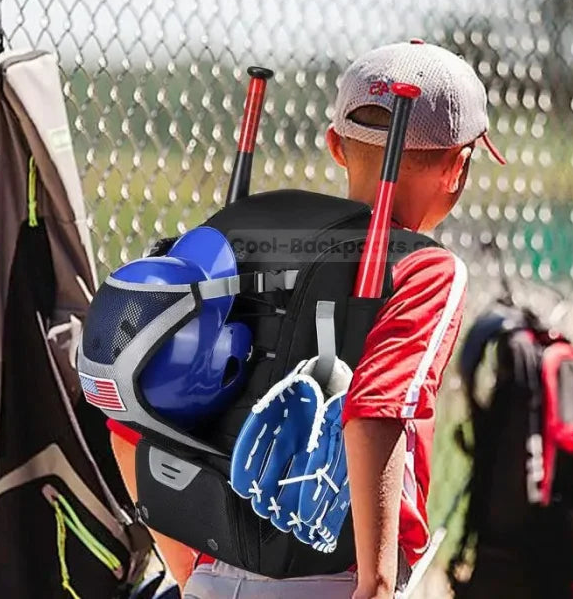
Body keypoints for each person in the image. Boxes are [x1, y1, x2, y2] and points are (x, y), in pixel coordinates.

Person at [109, 40, 505, 598]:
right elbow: (375, 412)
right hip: (334, 579)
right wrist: (378, 584)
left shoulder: (233, 237)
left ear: (336, 146)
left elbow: (132, 415)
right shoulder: (425, 269)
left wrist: (190, 571)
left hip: (209, 572)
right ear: (458, 168)